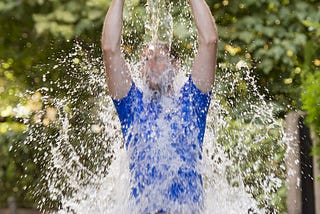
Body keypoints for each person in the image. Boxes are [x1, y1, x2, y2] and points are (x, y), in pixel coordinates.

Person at [102, 0, 218, 213]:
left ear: (176, 66)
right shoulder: (132, 106)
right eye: (145, 59)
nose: (151, 65)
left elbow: (209, 41)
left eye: (158, 59)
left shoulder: (192, 102)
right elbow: (110, 49)